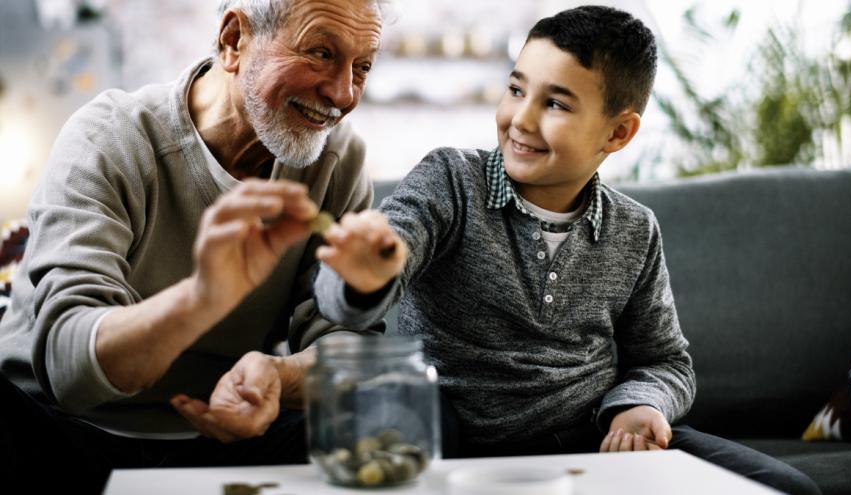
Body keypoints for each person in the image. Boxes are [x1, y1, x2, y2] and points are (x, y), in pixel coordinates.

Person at [312, 6, 822, 495]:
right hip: (459, 442)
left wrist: (640, 407)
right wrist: (363, 276)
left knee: (787, 488)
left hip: (597, 442)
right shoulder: (450, 180)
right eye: (516, 89)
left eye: (555, 103)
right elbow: (360, 282)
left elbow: (666, 362)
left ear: (618, 131)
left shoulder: (635, 230)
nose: (521, 120)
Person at [0, 0, 387, 491]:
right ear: (233, 40)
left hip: (223, 436)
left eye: (363, 67)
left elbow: (347, 343)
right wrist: (201, 299)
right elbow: (68, 369)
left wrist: (278, 377)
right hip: (60, 429)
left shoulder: (337, 160)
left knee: (395, 413)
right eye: (320, 53)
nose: (344, 93)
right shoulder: (110, 137)